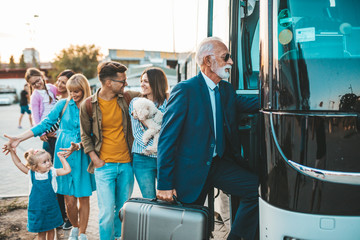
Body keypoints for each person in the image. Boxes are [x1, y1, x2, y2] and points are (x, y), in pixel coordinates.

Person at [156, 37, 259, 240]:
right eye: (225, 57)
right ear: (208, 60)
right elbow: (167, 139)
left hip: (218, 165)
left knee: (255, 190)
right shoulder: (185, 90)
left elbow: (251, 102)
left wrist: (282, 95)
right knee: (185, 228)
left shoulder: (226, 90)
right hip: (190, 169)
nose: (230, 62)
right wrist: (164, 184)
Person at [3, 73, 96, 240]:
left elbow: (93, 135)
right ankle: (75, 227)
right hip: (63, 154)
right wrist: (20, 138)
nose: (74, 95)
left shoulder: (90, 107)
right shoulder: (63, 104)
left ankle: (82, 234)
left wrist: (80, 145)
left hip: (82, 153)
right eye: (71, 91)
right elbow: (44, 124)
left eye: (77, 92)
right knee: (68, 200)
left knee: (83, 196)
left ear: (85, 90)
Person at [80, 61, 140, 240]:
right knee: (106, 212)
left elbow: (152, 94)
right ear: (108, 83)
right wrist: (94, 159)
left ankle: (118, 237)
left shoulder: (128, 98)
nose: (126, 84)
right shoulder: (89, 105)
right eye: (122, 81)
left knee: (122, 211)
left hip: (126, 164)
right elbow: (85, 136)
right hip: (103, 166)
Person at [2, 145, 71, 240]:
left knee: (51, 230)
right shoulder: (31, 174)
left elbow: (67, 170)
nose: (48, 163)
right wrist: (12, 152)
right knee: (41, 232)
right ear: (35, 167)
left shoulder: (53, 172)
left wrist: (61, 158)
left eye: (48, 160)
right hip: (37, 210)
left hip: (51, 209)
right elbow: (18, 163)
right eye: (44, 162)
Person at [129, 67, 169, 198]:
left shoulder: (169, 103)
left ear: (156, 82)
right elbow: (137, 132)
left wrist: (159, 149)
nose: (142, 84)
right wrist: (151, 148)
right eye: (141, 81)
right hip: (142, 158)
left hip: (165, 159)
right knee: (149, 199)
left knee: (167, 199)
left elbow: (168, 130)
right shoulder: (136, 103)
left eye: (146, 81)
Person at [44, 69, 75, 231]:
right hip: (51, 143)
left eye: (63, 82)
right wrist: (44, 132)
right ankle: (61, 215)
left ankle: (68, 218)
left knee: (65, 179)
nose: (59, 84)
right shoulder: (57, 100)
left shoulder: (68, 102)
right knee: (54, 178)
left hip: (62, 143)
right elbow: (46, 121)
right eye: (59, 81)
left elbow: (56, 122)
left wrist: (55, 130)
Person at [25, 68, 57, 154]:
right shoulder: (35, 96)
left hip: (58, 123)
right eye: (33, 83)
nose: (37, 84)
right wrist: (41, 133)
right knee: (49, 153)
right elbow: (35, 117)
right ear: (30, 84)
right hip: (47, 128)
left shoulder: (52, 88)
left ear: (42, 76)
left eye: (38, 80)